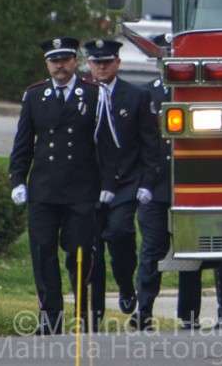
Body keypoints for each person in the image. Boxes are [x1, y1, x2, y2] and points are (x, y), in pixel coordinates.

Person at [8, 37, 115, 334]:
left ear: (75, 61)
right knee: (43, 252)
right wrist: (17, 178)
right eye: (54, 60)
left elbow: (105, 144)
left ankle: (82, 313)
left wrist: (108, 183)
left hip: (81, 190)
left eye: (65, 59)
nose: (60, 65)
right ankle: (50, 316)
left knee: (79, 253)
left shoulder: (94, 94)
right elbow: (23, 144)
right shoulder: (34, 96)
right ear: (47, 64)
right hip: (43, 189)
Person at [85, 38, 161, 331]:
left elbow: (149, 143)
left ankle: (126, 285)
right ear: (88, 64)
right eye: (96, 62)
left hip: (126, 181)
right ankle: (95, 312)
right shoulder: (82, 94)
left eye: (107, 62)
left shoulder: (136, 96)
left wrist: (148, 180)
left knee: (120, 233)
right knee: (92, 247)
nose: (101, 67)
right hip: (90, 182)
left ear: (117, 63)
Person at [131, 76, 203, 331]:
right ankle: (144, 310)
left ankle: (189, 314)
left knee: (190, 251)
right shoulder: (145, 93)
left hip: (189, 182)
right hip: (155, 184)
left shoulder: (195, 87)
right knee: (152, 248)